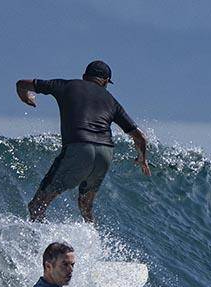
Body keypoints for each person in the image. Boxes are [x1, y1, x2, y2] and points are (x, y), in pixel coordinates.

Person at [15, 60, 151, 223]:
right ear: (106, 81)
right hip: (105, 154)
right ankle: (92, 238)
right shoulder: (112, 101)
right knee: (85, 206)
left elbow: (22, 84)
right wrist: (142, 159)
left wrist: (26, 98)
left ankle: (39, 238)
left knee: (37, 205)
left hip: (79, 147)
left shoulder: (66, 85)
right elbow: (140, 137)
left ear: (84, 76)